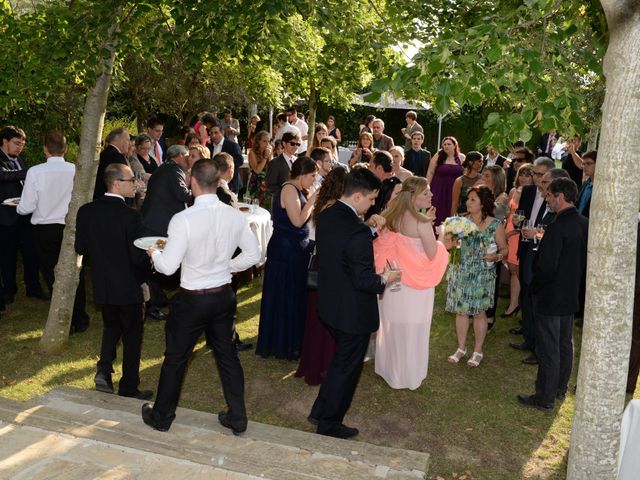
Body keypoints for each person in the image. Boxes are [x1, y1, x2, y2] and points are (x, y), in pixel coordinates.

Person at [141, 157, 260, 434]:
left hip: (192, 298)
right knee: (227, 356)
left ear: (192, 182)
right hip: (222, 296)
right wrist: (228, 268)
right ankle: (238, 417)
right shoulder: (234, 215)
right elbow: (254, 254)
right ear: (219, 182)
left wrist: (154, 253)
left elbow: (168, 266)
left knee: (176, 358)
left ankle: (162, 417)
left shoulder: (183, 219)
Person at [308, 168, 399, 439]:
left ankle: (320, 410)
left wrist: (368, 230)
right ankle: (330, 422)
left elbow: (342, 252)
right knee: (347, 369)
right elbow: (363, 280)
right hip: (352, 312)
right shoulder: (356, 231)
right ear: (357, 196)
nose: (373, 204)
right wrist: (386, 278)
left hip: (330, 303)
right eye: (371, 199)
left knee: (340, 362)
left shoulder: (328, 214)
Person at [76, 163, 153, 399]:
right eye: (132, 180)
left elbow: (80, 247)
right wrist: (147, 272)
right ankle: (129, 386)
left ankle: (103, 371)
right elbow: (137, 258)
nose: (136, 185)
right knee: (132, 336)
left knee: (112, 327)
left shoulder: (86, 211)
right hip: (129, 286)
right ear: (116, 183)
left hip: (103, 285)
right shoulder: (131, 216)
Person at [517, 177, 588, 411]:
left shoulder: (557, 227)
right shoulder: (584, 223)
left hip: (550, 295)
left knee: (549, 348)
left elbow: (546, 266)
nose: (547, 200)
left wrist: (535, 286)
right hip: (570, 295)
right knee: (565, 344)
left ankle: (544, 397)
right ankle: (559, 389)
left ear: (560, 196)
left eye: (549, 196)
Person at [373, 178, 448, 389]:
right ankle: (407, 375)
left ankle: (388, 368)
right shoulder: (421, 222)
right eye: (426, 193)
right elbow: (433, 254)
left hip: (393, 280)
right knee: (414, 327)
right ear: (413, 196)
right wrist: (441, 236)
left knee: (392, 324)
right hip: (416, 286)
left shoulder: (391, 215)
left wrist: (427, 223)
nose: (431, 196)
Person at [17, 131, 89, 332]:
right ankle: (79, 318)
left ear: (45, 149)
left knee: (51, 274)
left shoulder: (35, 172)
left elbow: (26, 207)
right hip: (71, 226)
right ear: (65, 149)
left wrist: (18, 207)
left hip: (45, 229)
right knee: (75, 272)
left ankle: (63, 318)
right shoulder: (75, 169)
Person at [256, 157, 318, 359]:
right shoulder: (289, 189)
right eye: (312, 176)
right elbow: (298, 221)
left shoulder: (296, 189)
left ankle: (291, 341)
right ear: (302, 174)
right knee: (284, 297)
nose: (313, 180)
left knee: (293, 296)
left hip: (295, 250)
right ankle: (282, 344)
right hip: (286, 251)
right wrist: (312, 201)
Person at [443, 185, 508, 368]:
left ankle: (478, 350)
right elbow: (450, 246)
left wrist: (497, 256)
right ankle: (461, 348)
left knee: (480, 313)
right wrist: (448, 241)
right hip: (461, 272)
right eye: (468, 199)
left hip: (482, 275)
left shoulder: (495, 224)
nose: (468, 202)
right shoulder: (460, 221)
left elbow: (504, 249)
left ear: (483, 203)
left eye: (473, 199)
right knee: (461, 311)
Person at [295, 168, 347, 386]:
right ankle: (323, 365)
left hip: (319, 261)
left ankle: (313, 362)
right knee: (326, 318)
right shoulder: (334, 207)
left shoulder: (321, 202)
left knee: (316, 318)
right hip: (329, 267)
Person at [141, 144, 193, 321]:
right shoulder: (174, 169)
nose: (189, 160)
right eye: (187, 156)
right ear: (178, 156)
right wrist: (199, 191)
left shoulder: (165, 169)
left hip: (154, 222)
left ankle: (157, 300)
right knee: (155, 264)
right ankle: (152, 304)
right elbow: (182, 194)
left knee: (156, 262)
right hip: (158, 225)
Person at [510, 157, 556, 361]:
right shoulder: (528, 192)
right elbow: (521, 216)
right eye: (534, 174)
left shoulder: (555, 200)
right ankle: (528, 336)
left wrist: (535, 233)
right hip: (526, 248)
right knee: (526, 294)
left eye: (540, 175)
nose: (535, 178)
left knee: (537, 298)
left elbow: (552, 231)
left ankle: (538, 347)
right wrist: (516, 222)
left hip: (543, 255)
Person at [0, 126, 46, 307]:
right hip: (5, 218)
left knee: (31, 254)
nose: (20, 147)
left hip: (25, 215)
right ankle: (9, 291)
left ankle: (33, 287)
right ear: (5, 141)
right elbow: (3, 175)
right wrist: (31, 172)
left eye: (22, 144)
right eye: (17, 143)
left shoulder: (19, 159)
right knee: (7, 256)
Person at [479, 165, 509, 330]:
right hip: (480, 241)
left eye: (487, 175)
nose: (483, 177)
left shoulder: (502, 197)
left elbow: (494, 216)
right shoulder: (481, 192)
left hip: (494, 243)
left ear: (496, 179)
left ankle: (490, 315)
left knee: (492, 281)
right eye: (483, 174)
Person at [503, 164, 534, 319]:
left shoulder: (533, 194)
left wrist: (512, 233)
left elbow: (526, 219)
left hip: (518, 234)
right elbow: (508, 212)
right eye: (521, 174)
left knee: (518, 269)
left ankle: (519, 305)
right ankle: (514, 302)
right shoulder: (513, 191)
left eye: (528, 175)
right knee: (512, 269)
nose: (523, 177)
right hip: (508, 229)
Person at [428, 136, 465, 225]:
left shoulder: (462, 157)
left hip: (454, 190)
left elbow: (465, 174)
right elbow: (430, 172)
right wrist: (427, 188)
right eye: (444, 144)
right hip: (438, 189)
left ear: (455, 145)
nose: (446, 146)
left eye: (449, 144)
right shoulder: (438, 155)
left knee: (452, 209)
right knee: (438, 210)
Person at [208, 121, 244, 193]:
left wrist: (225, 165)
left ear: (222, 133)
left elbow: (240, 161)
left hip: (230, 184)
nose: (213, 136)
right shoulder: (209, 147)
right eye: (211, 133)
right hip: (214, 184)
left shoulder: (232, 145)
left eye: (216, 132)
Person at [265, 131, 299, 195]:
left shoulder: (298, 161)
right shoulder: (274, 163)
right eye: (292, 144)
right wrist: (286, 192)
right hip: (281, 200)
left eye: (297, 144)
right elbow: (270, 186)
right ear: (284, 144)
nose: (295, 146)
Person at [450, 151, 483, 216]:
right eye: (479, 161)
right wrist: (452, 220)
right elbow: (455, 203)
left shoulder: (483, 179)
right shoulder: (459, 181)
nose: (482, 163)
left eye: (482, 161)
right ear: (471, 163)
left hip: (479, 215)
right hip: (463, 215)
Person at [246, 130, 273, 205]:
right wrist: (265, 157)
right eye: (264, 141)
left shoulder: (268, 152)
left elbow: (271, 168)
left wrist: (270, 156)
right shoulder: (252, 152)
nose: (267, 144)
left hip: (266, 182)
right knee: (255, 205)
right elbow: (257, 170)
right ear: (258, 141)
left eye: (269, 141)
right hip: (256, 182)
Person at [576, 151, 597, 217]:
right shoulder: (585, 183)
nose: (585, 167)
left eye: (588, 163)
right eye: (583, 164)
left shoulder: (601, 187)